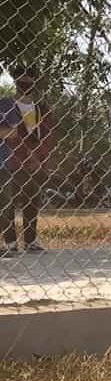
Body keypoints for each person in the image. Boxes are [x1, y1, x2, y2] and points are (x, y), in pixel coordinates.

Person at [0, 65, 56, 255]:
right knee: (8, 203)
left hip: (36, 163)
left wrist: (39, 156)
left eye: (29, 79)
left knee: (32, 202)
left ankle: (31, 241)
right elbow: (9, 134)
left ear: (35, 81)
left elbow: (48, 136)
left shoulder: (42, 109)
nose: (25, 82)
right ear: (15, 81)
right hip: (12, 162)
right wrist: (23, 154)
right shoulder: (6, 105)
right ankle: (10, 242)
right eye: (21, 79)